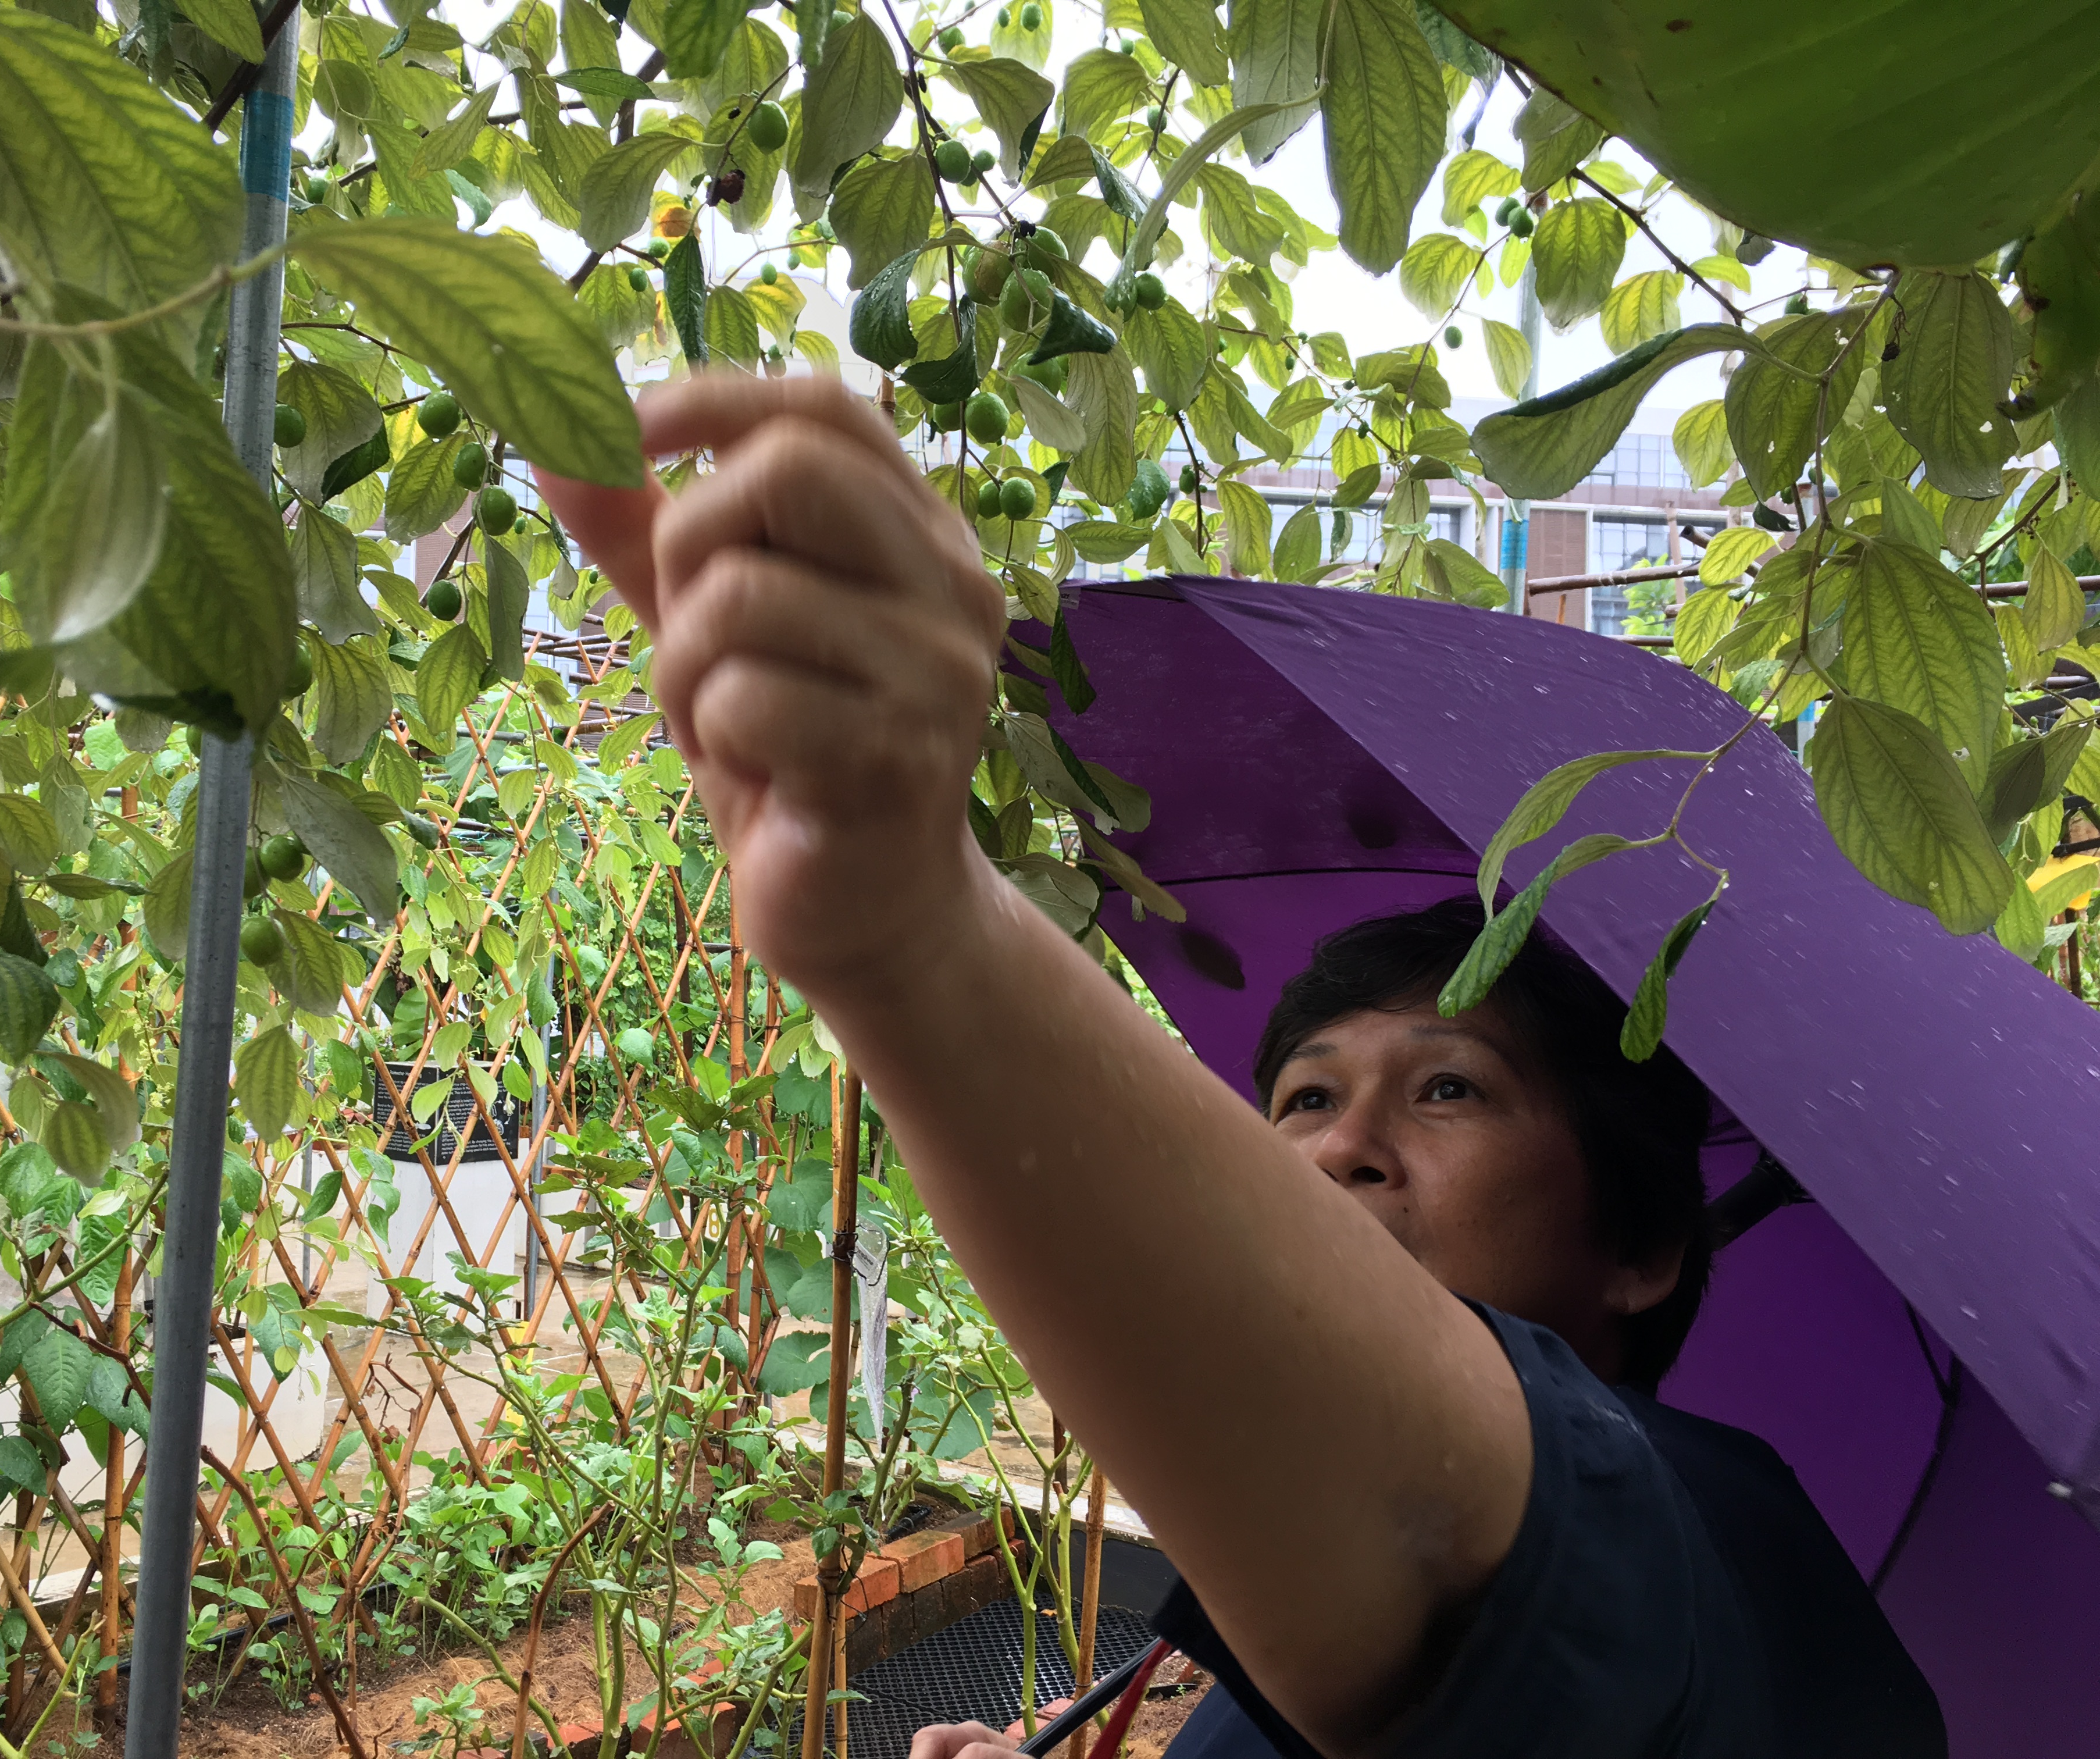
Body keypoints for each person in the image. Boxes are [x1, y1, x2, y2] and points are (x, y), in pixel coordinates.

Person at [535, 376, 1948, 1758]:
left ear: (1639, 1243)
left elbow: (1457, 1524)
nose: (1342, 1149)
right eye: (1305, 1098)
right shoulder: (1272, 1642)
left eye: (1449, 1088)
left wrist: (924, 933)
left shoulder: (1710, 1540)